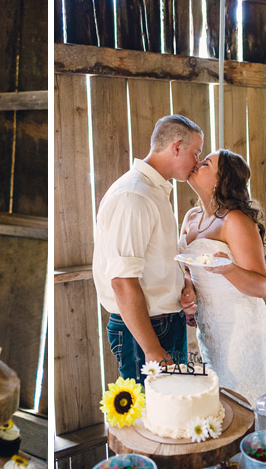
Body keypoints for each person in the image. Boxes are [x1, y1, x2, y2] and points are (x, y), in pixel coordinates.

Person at [93, 115, 202, 382]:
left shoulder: (154, 191)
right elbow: (122, 281)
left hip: (165, 322)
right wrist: (152, 349)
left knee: (173, 412)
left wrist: (184, 280)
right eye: (195, 153)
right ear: (176, 147)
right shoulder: (135, 195)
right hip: (147, 330)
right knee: (148, 417)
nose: (198, 163)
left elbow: (158, 259)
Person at [179, 149, 266, 403]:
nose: (197, 164)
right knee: (221, 398)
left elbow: (260, 285)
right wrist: (188, 288)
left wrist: (228, 269)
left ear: (219, 180)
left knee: (245, 399)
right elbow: (187, 267)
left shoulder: (235, 221)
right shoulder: (191, 218)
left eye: (206, 163)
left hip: (241, 328)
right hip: (208, 327)